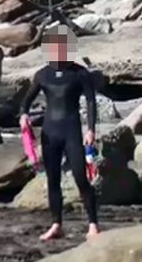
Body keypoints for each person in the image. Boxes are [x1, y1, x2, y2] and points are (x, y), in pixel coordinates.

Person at [19, 25, 99, 241]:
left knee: (81, 178)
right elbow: (25, 102)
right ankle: (56, 224)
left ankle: (93, 225)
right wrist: (23, 115)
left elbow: (91, 101)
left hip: (72, 130)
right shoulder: (42, 75)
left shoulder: (80, 73)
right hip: (49, 132)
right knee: (52, 180)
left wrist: (90, 129)